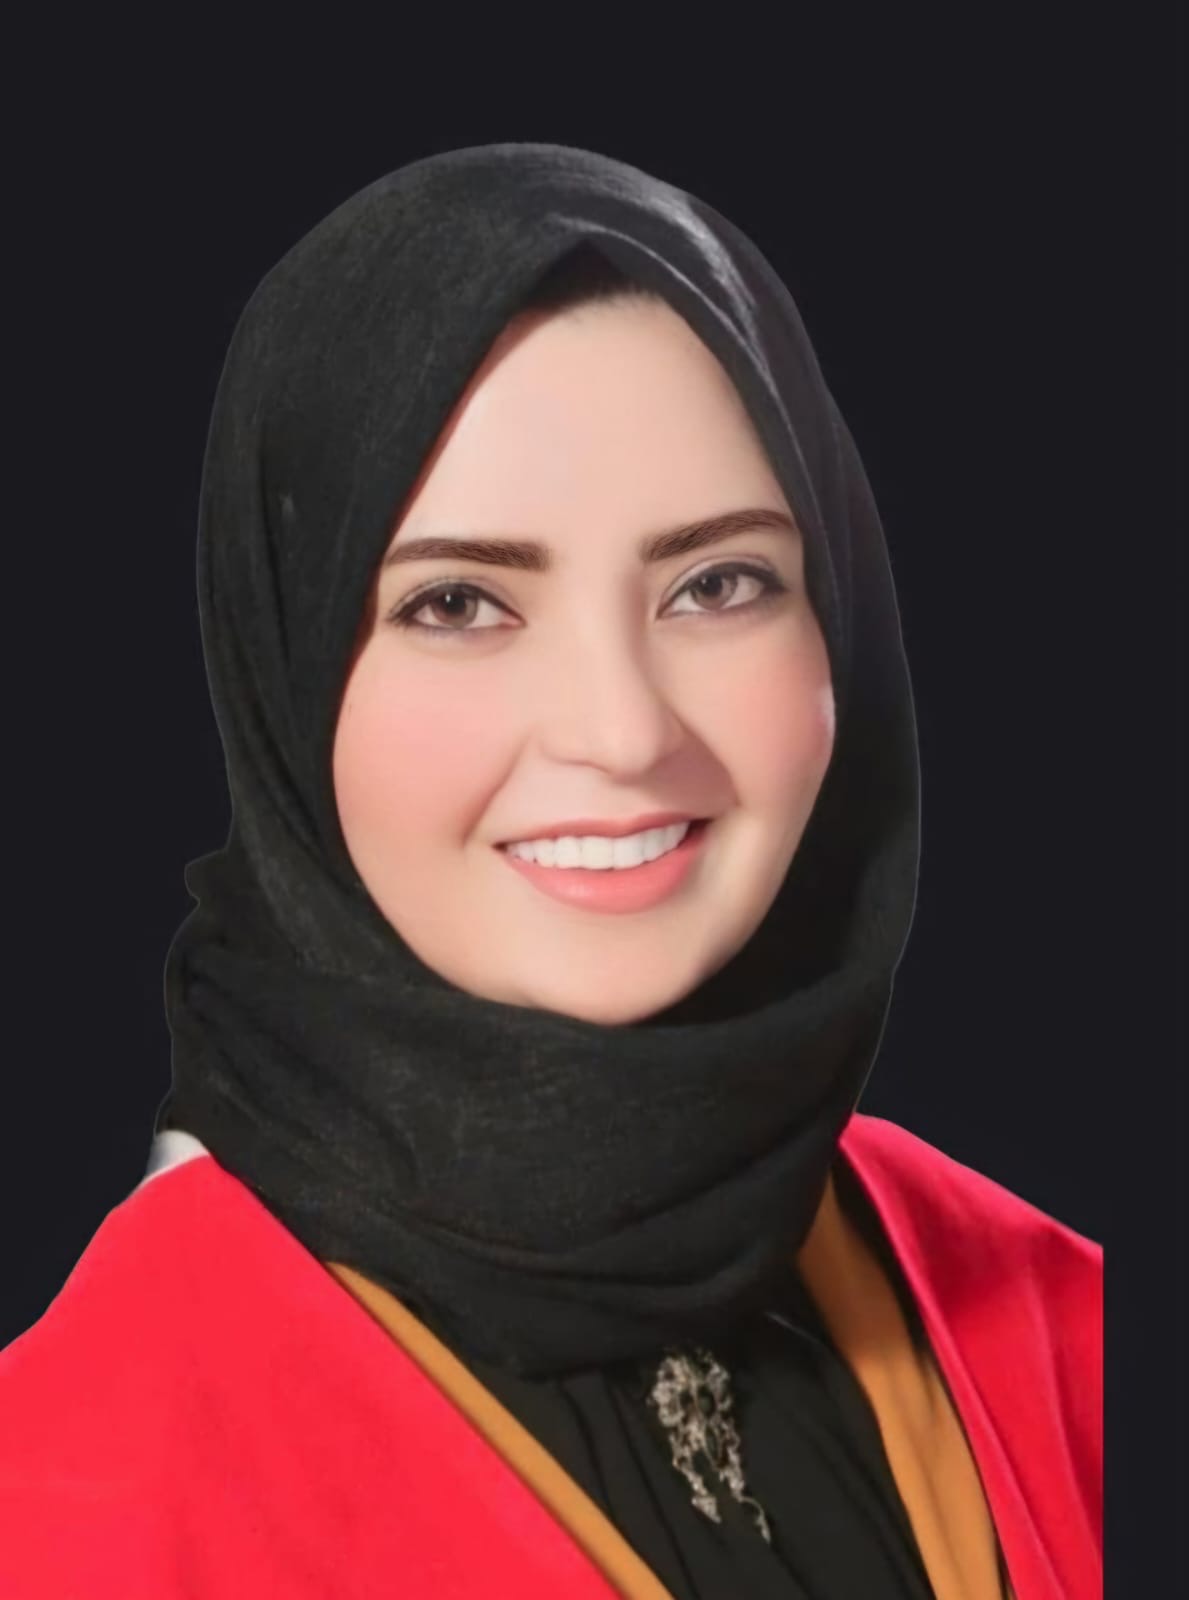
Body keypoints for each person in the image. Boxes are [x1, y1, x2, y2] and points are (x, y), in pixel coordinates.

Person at [0, 143, 1101, 1599]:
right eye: (459, 602)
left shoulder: (1055, 1316)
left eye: (718, 583)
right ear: (282, 672)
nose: (623, 732)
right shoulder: (73, 1490)